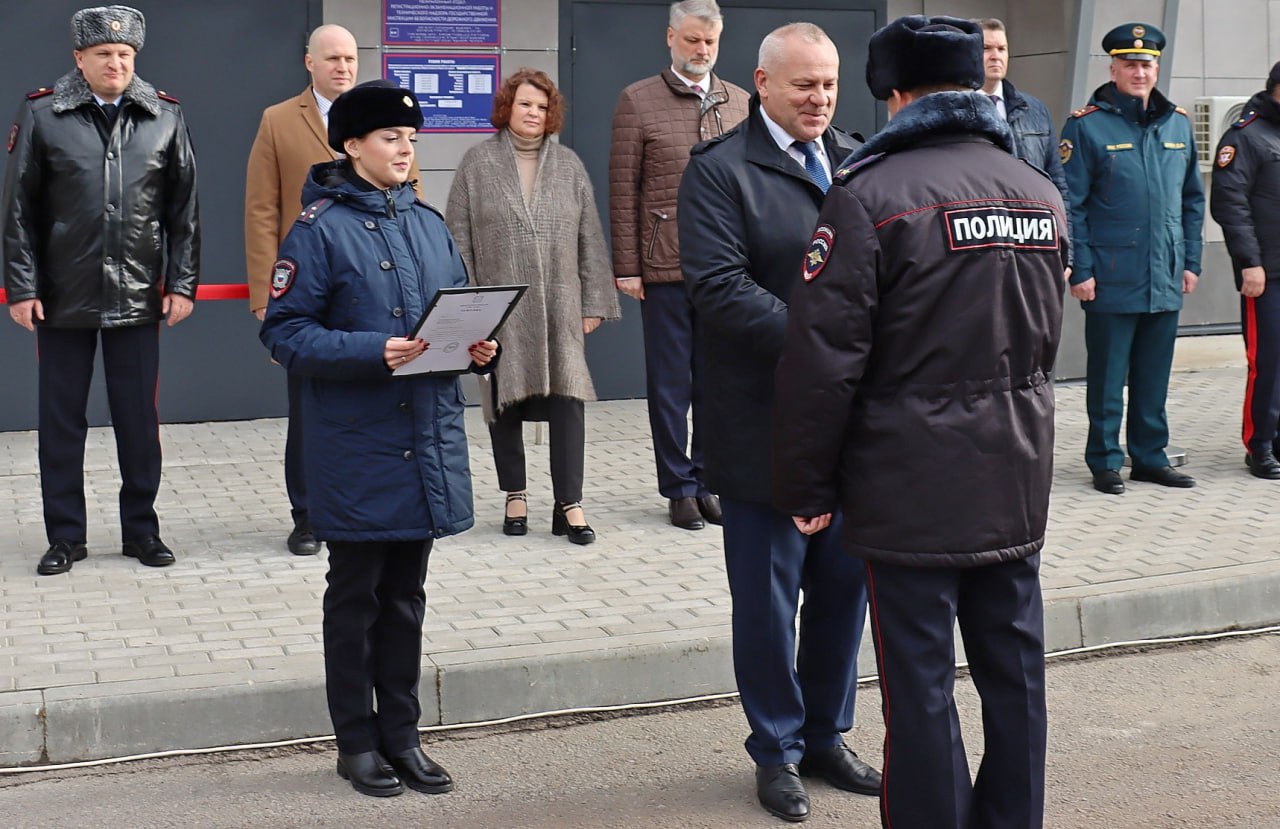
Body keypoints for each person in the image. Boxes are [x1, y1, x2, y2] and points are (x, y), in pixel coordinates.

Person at [772, 16, 1067, 829]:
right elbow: (1044, 344)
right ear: (976, 88)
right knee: (1015, 676)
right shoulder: (1038, 192)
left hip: (909, 485)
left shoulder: (869, 197)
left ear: (896, 95)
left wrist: (805, 481)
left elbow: (822, 360)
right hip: (1013, 474)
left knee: (921, 683)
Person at [259, 80, 498, 798]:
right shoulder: (318, 229)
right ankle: (356, 742)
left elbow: (453, 311)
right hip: (357, 445)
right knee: (356, 596)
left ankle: (403, 735)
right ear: (354, 145)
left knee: (407, 596)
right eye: (391, 138)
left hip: (425, 437)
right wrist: (374, 349)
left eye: (412, 139)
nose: (404, 149)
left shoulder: (428, 223)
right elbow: (284, 332)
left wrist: (475, 347)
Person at [678, 22, 879, 824]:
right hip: (759, 423)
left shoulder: (860, 161)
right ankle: (777, 748)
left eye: (829, 85)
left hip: (849, 425)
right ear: (760, 83)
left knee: (843, 588)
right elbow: (719, 287)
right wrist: (826, 343)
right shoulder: (720, 172)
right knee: (768, 600)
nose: (819, 99)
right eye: (803, 85)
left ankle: (827, 733)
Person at [2, 4, 199, 576]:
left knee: (139, 422)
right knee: (62, 423)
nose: (116, 63)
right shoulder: (43, 114)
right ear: (79, 60)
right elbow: (18, 210)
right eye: (104, 54)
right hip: (63, 296)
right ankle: (65, 535)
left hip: (138, 295)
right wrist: (22, 286)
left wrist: (181, 283)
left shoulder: (164, 115)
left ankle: (142, 530)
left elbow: (184, 208)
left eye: (125, 54)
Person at [244, 25, 426, 556]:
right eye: (332, 58)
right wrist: (265, 295)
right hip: (310, 289)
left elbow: (408, 199)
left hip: (378, 288)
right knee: (308, 409)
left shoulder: (385, 120)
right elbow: (261, 209)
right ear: (310, 62)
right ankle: (306, 513)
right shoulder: (279, 120)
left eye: (350, 57)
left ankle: (381, 507)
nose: (343, 66)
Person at [445, 68, 619, 545]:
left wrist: (594, 301)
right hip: (499, 307)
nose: (534, 114)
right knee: (504, 401)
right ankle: (515, 494)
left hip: (560, 302)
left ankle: (571, 503)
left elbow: (589, 238)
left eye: (542, 107)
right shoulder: (476, 164)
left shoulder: (568, 166)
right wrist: (470, 307)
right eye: (525, 104)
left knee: (569, 402)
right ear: (507, 108)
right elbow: (458, 238)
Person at [608, 0, 748, 531]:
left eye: (709, 42)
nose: (701, 50)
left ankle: (710, 479)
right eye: (691, 40)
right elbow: (624, 188)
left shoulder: (739, 102)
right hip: (664, 265)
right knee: (671, 384)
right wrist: (627, 265)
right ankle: (678, 487)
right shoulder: (637, 100)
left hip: (727, 267)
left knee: (718, 382)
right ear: (671, 38)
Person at [1060, 22, 1205, 495]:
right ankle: (1105, 460)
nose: (1138, 72)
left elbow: (1192, 201)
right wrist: (1080, 270)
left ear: (1157, 68)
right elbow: (1072, 205)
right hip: (1111, 275)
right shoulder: (1086, 125)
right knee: (1106, 377)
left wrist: (1191, 261)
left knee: (1153, 376)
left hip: (1164, 271)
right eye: (1130, 64)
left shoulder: (1177, 123)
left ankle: (1149, 457)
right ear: (1113, 68)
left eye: (1146, 64)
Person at [1210, 61, 1280, 480]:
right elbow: (1230, 205)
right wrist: (1249, 264)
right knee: (1267, 360)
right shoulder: (1245, 135)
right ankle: (1260, 445)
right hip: (1266, 273)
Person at [977, 18, 1069, 206]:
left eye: (1002, 49)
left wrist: (1063, 233)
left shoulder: (1035, 110)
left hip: (1029, 223)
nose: (996, 56)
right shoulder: (956, 110)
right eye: (986, 48)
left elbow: (1057, 184)